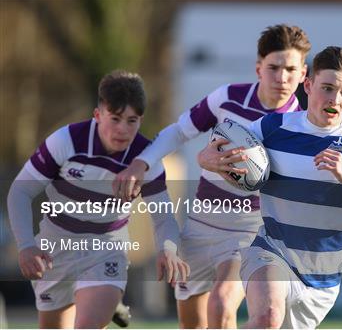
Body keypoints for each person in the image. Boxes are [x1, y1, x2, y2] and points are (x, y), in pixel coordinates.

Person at [113, 24, 311, 328]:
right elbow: (179, 131)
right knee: (193, 324)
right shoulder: (227, 99)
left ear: (303, 74)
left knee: (221, 303)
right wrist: (141, 162)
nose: (281, 77)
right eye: (273, 67)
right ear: (259, 68)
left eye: (290, 69)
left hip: (250, 233)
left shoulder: (301, 128)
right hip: (201, 226)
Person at [236, 46, 342, 328]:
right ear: (308, 85)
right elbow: (222, 147)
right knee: (267, 318)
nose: (335, 99)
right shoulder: (271, 127)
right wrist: (209, 159)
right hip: (271, 251)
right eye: (327, 88)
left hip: (322, 281)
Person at [7, 70, 189, 328]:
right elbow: (20, 192)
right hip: (56, 245)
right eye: (115, 119)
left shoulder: (148, 159)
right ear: (97, 115)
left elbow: (163, 215)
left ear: (141, 120)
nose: (123, 130)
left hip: (106, 248)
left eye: (131, 120)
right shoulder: (66, 141)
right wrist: (26, 245)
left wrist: (167, 249)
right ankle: (104, 298)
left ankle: (104, 292)